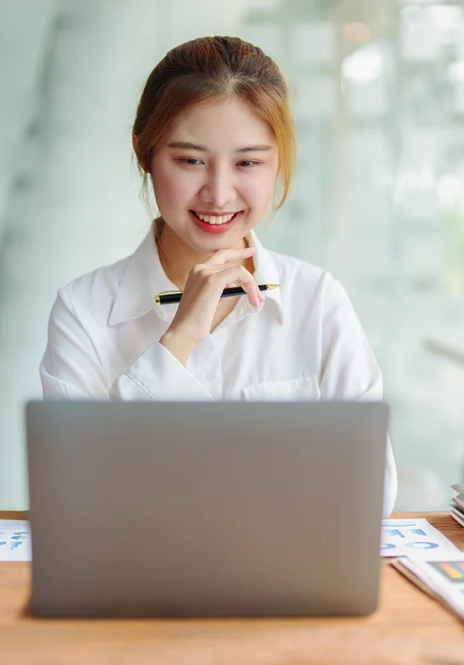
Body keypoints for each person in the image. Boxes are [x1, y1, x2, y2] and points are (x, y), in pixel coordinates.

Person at [39, 36, 397, 515]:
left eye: (248, 162)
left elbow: (371, 492)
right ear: (144, 152)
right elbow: (78, 499)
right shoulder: (83, 311)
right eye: (190, 161)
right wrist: (179, 338)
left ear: (279, 163)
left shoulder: (317, 300)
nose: (219, 193)